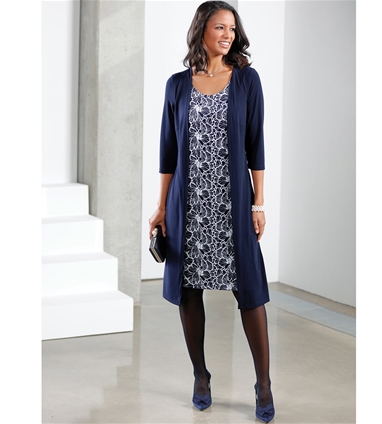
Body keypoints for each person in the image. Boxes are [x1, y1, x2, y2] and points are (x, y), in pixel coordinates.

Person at [148, 1, 275, 422]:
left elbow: (256, 146)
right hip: (188, 204)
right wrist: (161, 207)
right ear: (201, 29)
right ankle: (200, 376)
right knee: (189, 290)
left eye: (232, 29)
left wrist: (258, 203)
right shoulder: (177, 85)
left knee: (249, 292)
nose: (228, 35)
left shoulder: (246, 80)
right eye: (220, 27)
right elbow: (168, 153)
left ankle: (263, 383)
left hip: (232, 205)